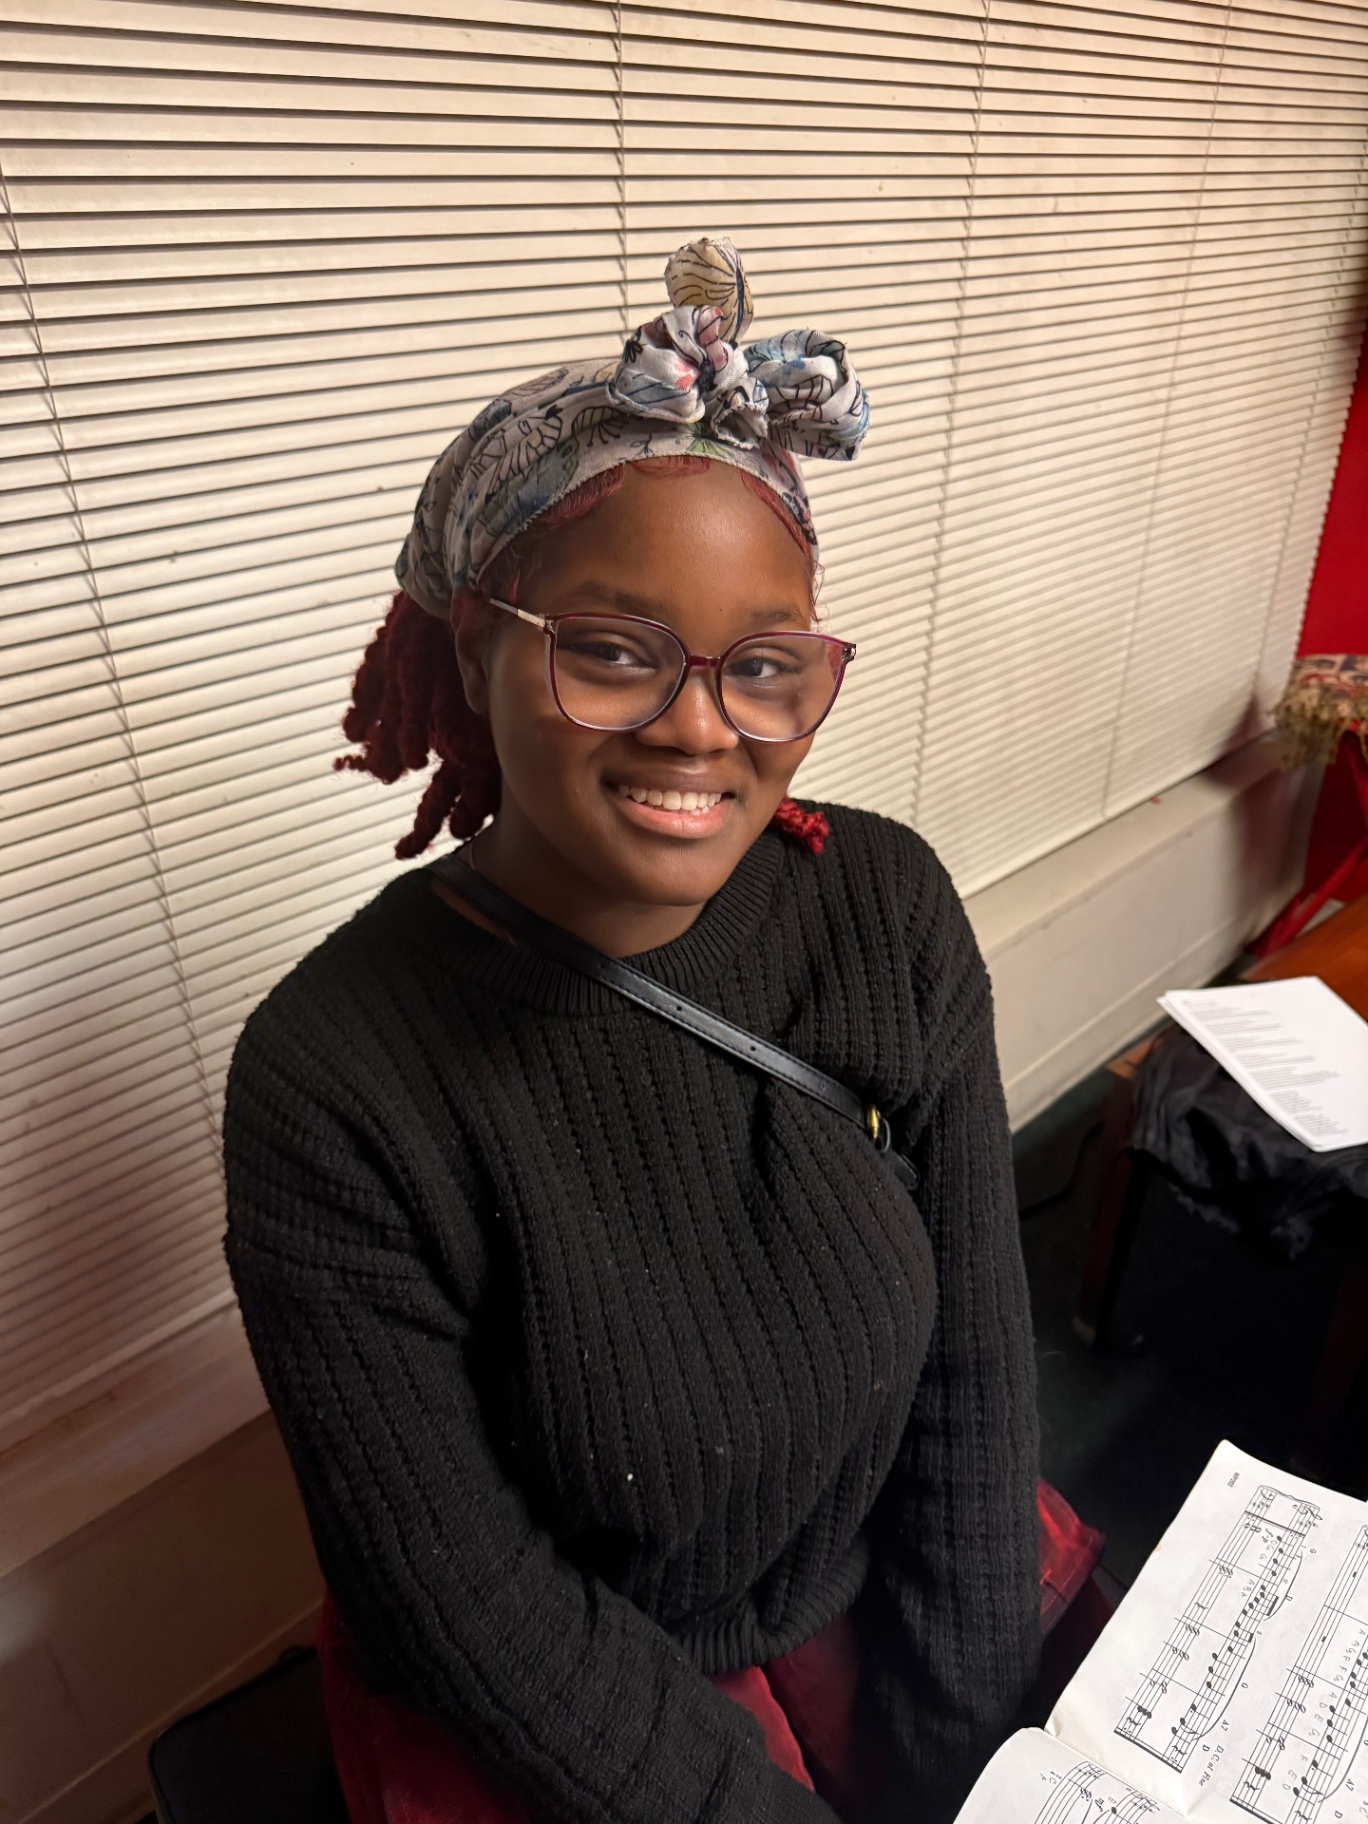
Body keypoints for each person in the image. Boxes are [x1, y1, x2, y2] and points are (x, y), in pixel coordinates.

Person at [223, 238, 1041, 1824]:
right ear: (478, 652)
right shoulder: (333, 1081)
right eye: (612, 650)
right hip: (584, 1715)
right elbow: (460, 1600)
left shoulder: (880, 902)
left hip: (872, 1599)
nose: (697, 725)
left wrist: (972, 1740)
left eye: (764, 667)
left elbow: (980, 1361)